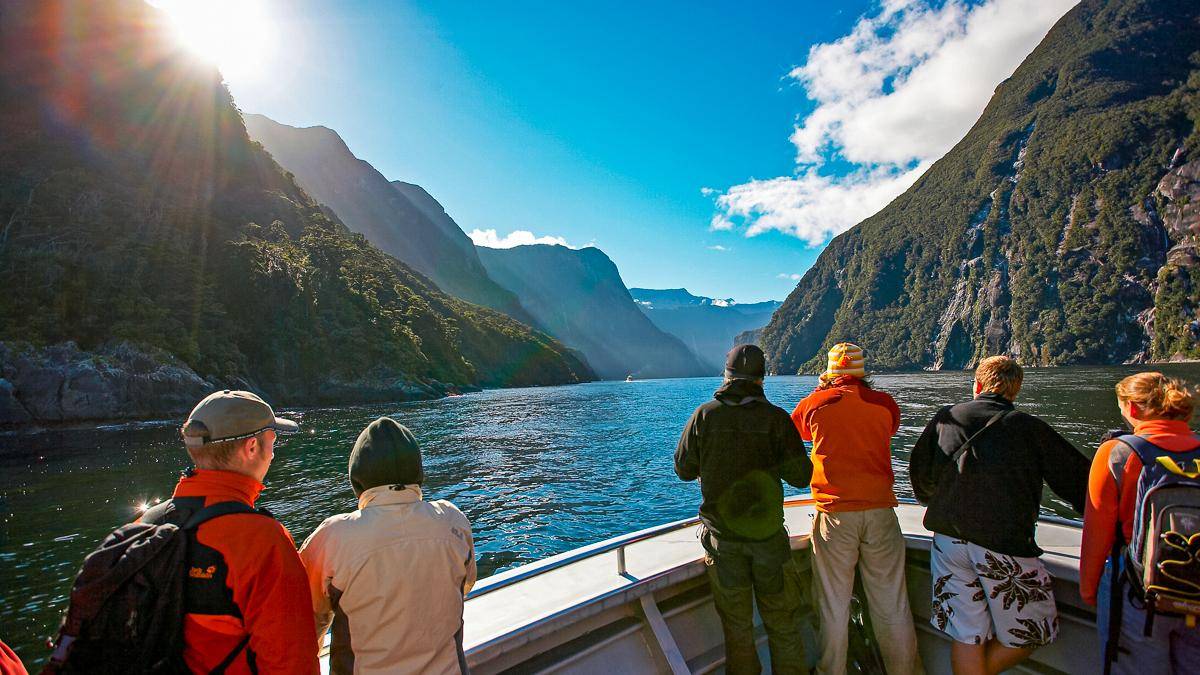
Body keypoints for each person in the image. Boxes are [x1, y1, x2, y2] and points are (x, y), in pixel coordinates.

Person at [910, 355, 1088, 675]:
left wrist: (935, 502)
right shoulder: (1028, 428)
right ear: (1015, 389)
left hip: (949, 541)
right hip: (1003, 545)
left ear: (977, 384)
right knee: (1031, 633)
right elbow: (1078, 481)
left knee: (967, 634)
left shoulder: (946, 418)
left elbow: (920, 473)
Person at [140, 390, 318, 673]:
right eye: (273, 442)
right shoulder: (262, 542)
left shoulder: (144, 525)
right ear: (252, 447)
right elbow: (291, 664)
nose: (273, 454)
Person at [300, 416, 477, 675]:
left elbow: (305, 621)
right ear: (417, 473)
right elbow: (466, 584)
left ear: (357, 480)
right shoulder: (452, 521)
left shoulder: (333, 536)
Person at [675, 344, 812, 674]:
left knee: (737, 631)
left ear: (727, 376)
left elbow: (683, 469)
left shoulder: (705, 416)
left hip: (723, 544)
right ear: (761, 379)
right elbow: (801, 476)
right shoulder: (776, 419)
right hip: (769, 543)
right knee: (782, 623)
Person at [791, 342, 919, 675]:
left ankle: (831, 671)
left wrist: (822, 391)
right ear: (863, 372)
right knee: (891, 605)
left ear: (830, 372)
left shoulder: (815, 404)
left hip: (835, 514)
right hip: (880, 511)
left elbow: (799, 433)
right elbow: (891, 429)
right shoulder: (884, 404)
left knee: (833, 605)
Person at [1080, 372, 1200, 673]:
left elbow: (1097, 533)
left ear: (1132, 407)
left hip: (1137, 592)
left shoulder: (1118, 453)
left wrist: (1089, 590)